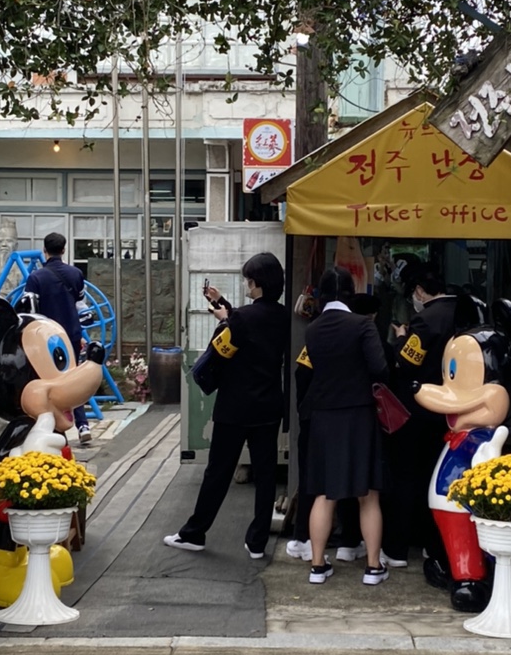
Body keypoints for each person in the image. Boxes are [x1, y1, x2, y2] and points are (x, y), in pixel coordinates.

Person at [164, 251, 288, 558]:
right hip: (269, 405)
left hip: (235, 407)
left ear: (256, 284)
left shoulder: (242, 319)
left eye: (248, 280)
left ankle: (195, 533)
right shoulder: (284, 316)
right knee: (265, 475)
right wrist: (224, 307)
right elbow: (250, 328)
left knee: (218, 472)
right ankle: (257, 542)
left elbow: (223, 348)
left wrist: (224, 320)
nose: (246, 284)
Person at [299, 266, 389, 586]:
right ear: (351, 294)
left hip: (324, 416)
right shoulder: (362, 325)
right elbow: (380, 368)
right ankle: (373, 568)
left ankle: (317, 566)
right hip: (359, 415)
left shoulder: (313, 329)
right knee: (368, 495)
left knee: (325, 493)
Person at [388, 267, 459, 581]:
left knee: (407, 477)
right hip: (452, 410)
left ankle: (398, 548)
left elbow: (407, 362)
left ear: (419, 290)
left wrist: (402, 338)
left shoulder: (426, 320)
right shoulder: (462, 313)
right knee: (441, 479)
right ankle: (437, 545)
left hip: (418, 409)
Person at [23, 232, 93, 444]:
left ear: (44, 250)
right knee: (72, 379)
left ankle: (50, 429)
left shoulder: (36, 278)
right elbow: (81, 306)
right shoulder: (75, 274)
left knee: (47, 382)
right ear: (63, 250)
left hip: (44, 339)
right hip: (71, 334)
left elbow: (29, 310)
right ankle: (82, 425)